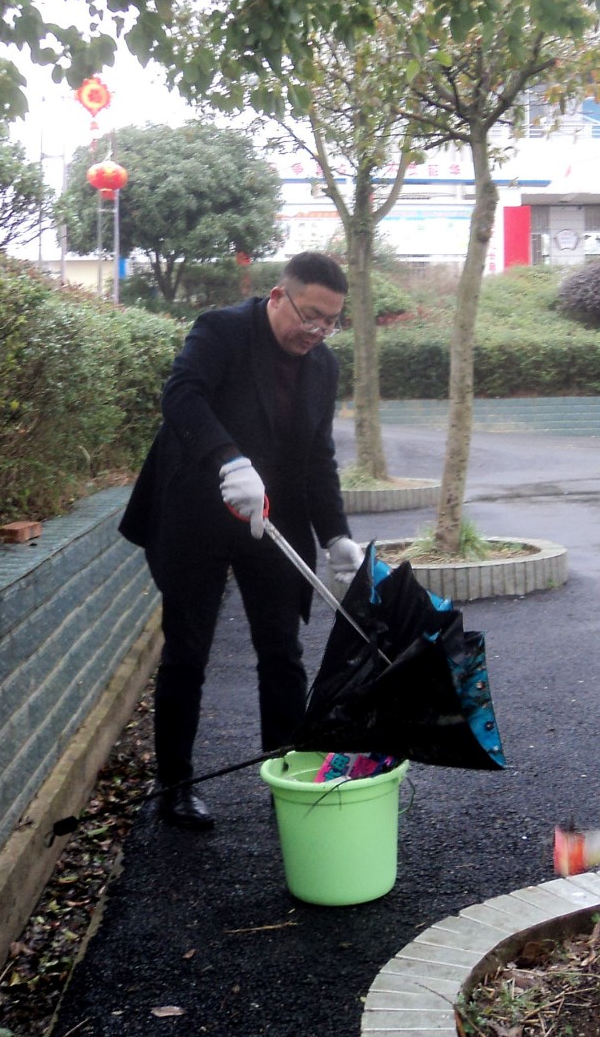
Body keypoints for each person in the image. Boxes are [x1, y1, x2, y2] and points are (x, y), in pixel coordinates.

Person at [119, 252, 364, 829]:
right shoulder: (222, 330)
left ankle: (286, 775)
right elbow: (182, 396)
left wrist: (336, 538)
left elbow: (317, 457)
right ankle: (175, 785)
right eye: (310, 315)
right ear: (279, 296)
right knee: (187, 652)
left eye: (330, 322)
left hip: (271, 526)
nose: (317, 331)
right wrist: (228, 459)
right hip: (197, 515)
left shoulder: (323, 367)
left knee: (282, 653)